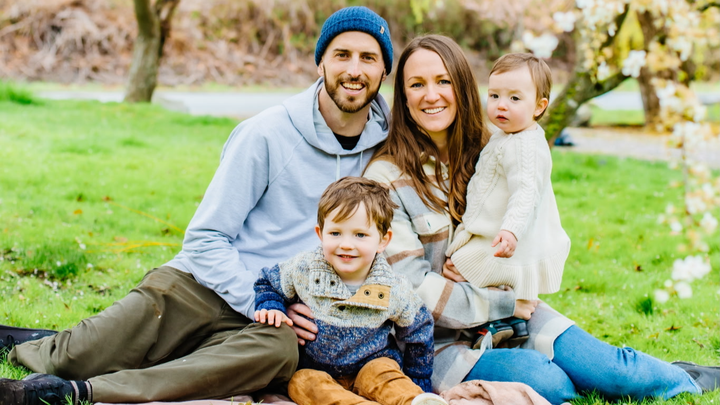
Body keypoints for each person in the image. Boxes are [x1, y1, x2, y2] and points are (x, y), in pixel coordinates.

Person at [0, 6, 393, 405]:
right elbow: (206, 238)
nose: (354, 70)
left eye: (368, 58)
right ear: (321, 62)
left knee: (279, 352)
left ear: (384, 71)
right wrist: (262, 301)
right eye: (342, 55)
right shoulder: (266, 134)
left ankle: (80, 392)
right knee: (67, 358)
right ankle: (38, 344)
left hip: (272, 322)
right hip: (200, 288)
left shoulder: (386, 150)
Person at [361, 34, 719, 405]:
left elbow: (530, 223)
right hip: (441, 344)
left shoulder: (494, 150)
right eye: (417, 85)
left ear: (463, 87)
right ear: (402, 96)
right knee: (550, 384)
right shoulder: (385, 179)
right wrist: (500, 301)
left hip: (515, 314)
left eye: (443, 81)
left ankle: (683, 378)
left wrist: (500, 284)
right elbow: (412, 291)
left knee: (611, 370)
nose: (431, 95)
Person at [254, 176, 446, 405]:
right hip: (316, 370)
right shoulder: (304, 268)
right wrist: (272, 306)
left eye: (360, 235)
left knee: (385, 374)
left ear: (383, 241)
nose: (346, 244)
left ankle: (415, 401)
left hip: (372, 363)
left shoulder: (393, 287)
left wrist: (418, 380)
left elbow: (419, 330)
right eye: (335, 233)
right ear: (320, 234)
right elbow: (268, 282)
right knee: (302, 383)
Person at [443, 53, 571, 349]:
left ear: (539, 106)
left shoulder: (526, 146)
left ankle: (497, 320)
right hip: (495, 231)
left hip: (506, 237)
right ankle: (508, 321)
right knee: (465, 265)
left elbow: (525, 192)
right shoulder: (508, 135)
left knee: (459, 265)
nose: (502, 105)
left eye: (514, 98)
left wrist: (511, 230)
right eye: (494, 95)